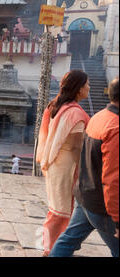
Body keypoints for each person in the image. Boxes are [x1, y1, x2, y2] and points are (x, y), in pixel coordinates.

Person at [49, 77, 119, 257]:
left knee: (68, 240)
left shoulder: (99, 116)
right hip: (103, 206)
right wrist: (117, 220)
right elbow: (113, 179)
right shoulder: (115, 127)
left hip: (85, 194)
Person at [36, 70, 91, 256]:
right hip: (66, 164)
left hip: (54, 162)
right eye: (87, 84)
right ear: (78, 88)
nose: (89, 88)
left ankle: (50, 247)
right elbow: (76, 147)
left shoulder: (55, 105)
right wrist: (83, 170)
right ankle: (51, 250)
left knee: (56, 209)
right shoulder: (75, 112)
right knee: (60, 211)